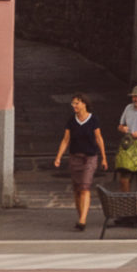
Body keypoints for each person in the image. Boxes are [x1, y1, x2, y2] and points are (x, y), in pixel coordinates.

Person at [53, 96, 108, 230]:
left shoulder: (93, 119)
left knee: (85, 187)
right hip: (75, 158)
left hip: (90, 158)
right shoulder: (72, 120)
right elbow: (66, 140)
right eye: (73, 103)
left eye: (77, 103)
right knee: (77, 189)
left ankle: (83, 219)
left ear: (84, 104)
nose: (74, 106)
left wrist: (104, 158)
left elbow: (99, 139)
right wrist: (58, 157)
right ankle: (80, 216)